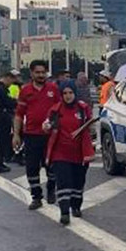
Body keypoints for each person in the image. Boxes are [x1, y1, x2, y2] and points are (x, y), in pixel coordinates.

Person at [43, 80, 95, 226]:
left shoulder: (83, 109)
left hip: (79, 153)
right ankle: (64, 212)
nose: (68, 96)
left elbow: (91, 127)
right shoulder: (55, 110)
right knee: (63, 181)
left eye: (70, 93)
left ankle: (76, 205)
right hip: (60, 153)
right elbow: (47, 125)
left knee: (78, 182)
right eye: (64, 93)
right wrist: (46, 126)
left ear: (75, 93)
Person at [14, 60, 61, 210]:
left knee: (52, 166)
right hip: (31, 135)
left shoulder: (53, 89)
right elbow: (19, 115)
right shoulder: (25, 90)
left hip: (51, 136)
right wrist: (16, 134)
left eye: (43, 72)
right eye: (37, 72)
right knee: (32, 168)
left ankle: (51, 189)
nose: (41, 75)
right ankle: (36, 196)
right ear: (32, 73)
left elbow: (61, 111)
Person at [0, 71, 17, 173]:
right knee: (3, 141)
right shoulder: (1, 89)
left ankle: (0, 163)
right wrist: (15, 102)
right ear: (7, 78)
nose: (11, 84)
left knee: (3, 141)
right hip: (2, 116)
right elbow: (8, 102)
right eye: (11, 81)